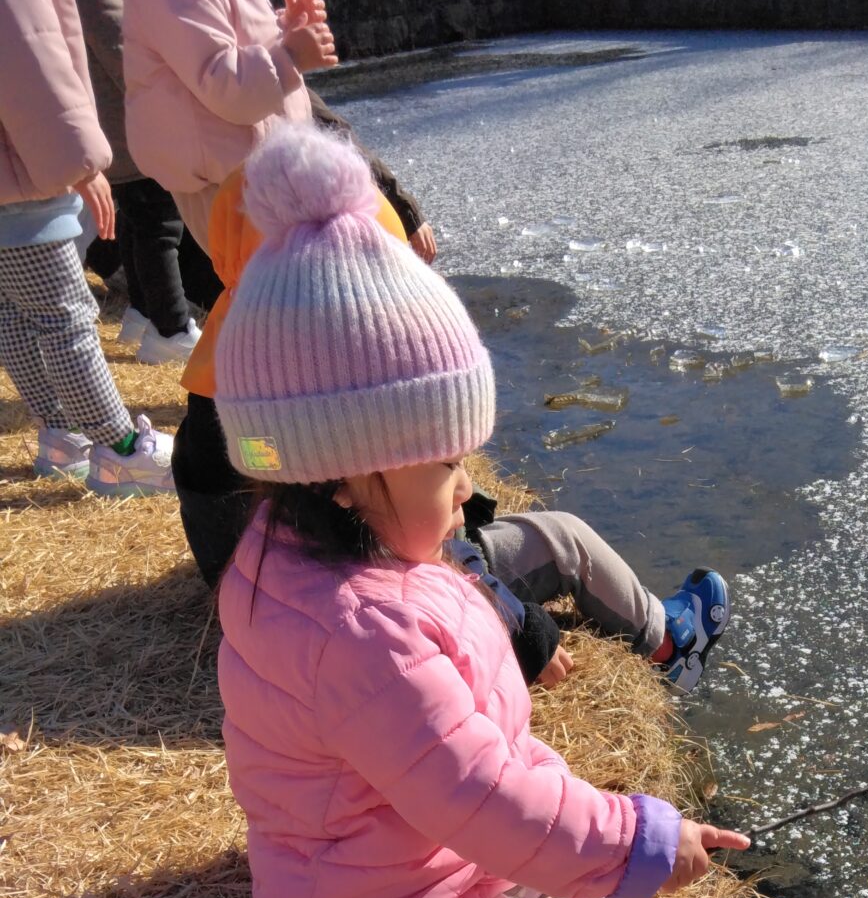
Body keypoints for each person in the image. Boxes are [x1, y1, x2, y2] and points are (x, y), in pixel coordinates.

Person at [214, 124, 748, 898]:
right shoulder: (361, 636)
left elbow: (476, 761)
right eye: (446, 466)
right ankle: (564, 893)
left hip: (407, 844)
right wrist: (636, 847)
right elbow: (480, 793)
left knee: (551, 833)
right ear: (343, 475)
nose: (467, 488)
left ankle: (557, 870)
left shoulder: (331, 554)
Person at [175, 138, 733, 691]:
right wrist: (514, 625)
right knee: (563, 538)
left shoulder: (248, 401)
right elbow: (419, 566)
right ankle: (668, 643)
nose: (464, 484)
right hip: (405, 559)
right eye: (447, 462)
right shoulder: (377, 604)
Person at [0, 0, 173, 494]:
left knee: (14, 313)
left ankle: (62, 432)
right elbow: (27, 50)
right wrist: (79, 159)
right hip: (24, 162)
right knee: (63, 315)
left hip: (11, 163)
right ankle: (121, 449)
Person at [121, 0, 335, 255]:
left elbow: (240, 38)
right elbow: (224, 83)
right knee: (265, 274)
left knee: (291, 270)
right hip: (223, 182)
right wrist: (290, 56)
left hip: (256, 167)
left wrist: (286, 29)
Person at [65, 0, 215, 363]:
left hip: (123, 94)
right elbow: (101, 10)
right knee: (159, 216)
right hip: (126, 95)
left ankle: (143, 312)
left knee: (139, 212)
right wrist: (150, 78)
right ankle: (171, 329)